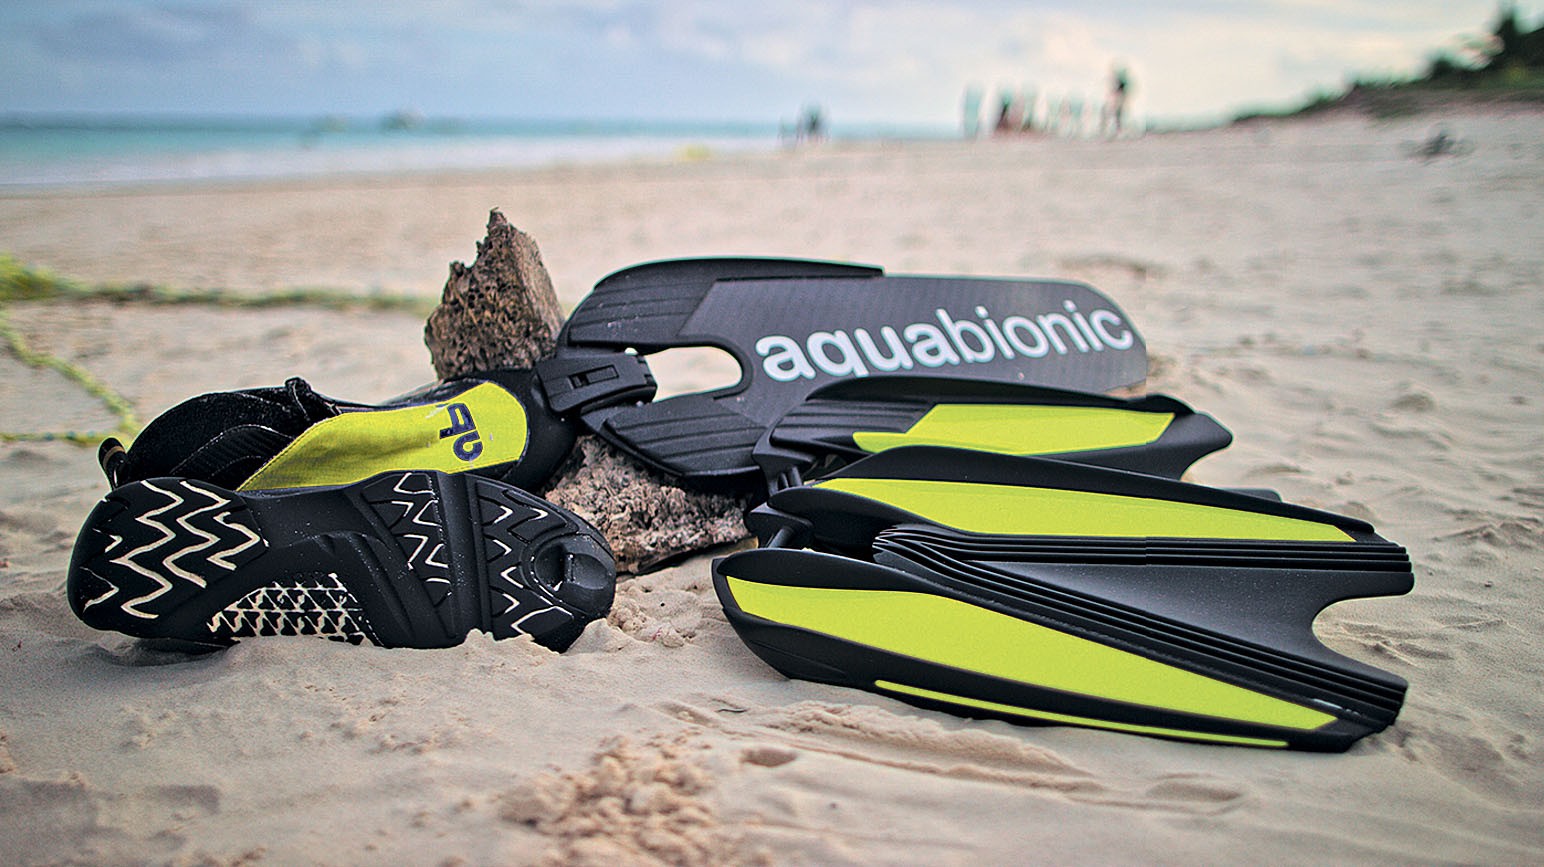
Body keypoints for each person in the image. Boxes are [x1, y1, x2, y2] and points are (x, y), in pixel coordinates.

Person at [1106, 65, 1130, 137]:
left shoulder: (1121, 86)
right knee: (1117, 116)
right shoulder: (1121, 86)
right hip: (1118, 102)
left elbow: (1117, 93)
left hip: (1119, 102)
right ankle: (1118, 130)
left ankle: (1119, 131)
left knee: (1117, 116)